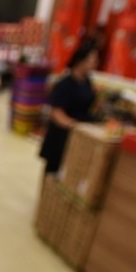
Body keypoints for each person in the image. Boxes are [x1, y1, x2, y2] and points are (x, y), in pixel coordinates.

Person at [39, 39, 99, 174]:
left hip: (78, 136)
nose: (95, 63)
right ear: (80, 60)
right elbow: (56, 113)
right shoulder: (65, 84)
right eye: (92, 59)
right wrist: (75, 126)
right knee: (52, 173)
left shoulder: (87, 82)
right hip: (61, 136)